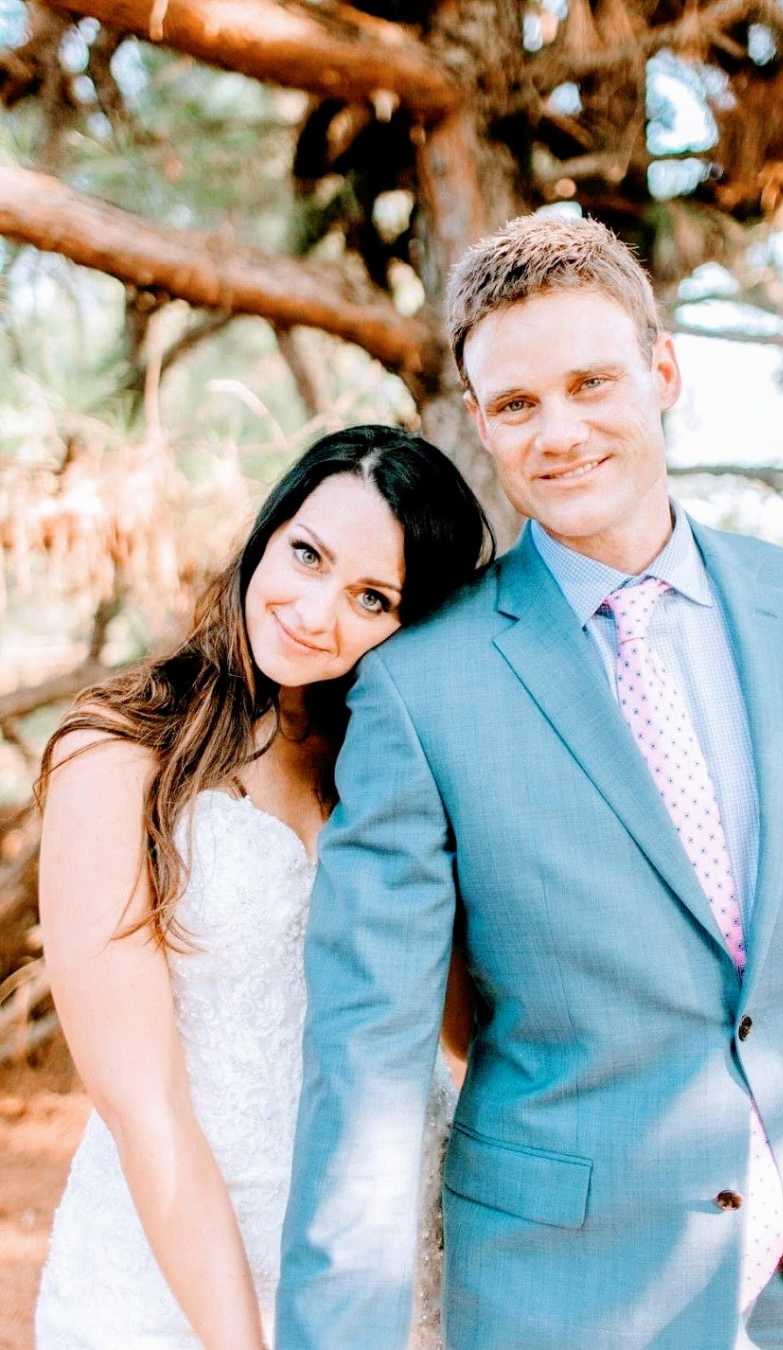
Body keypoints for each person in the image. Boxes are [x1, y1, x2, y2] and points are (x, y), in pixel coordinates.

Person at [277, 215, 783, 1349]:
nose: (557, 432)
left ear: (662, 371)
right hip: (567, 1298)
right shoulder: (419, 691)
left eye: (591, 382)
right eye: (516, 404)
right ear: (479, 420)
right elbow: (365, 1070)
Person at [33, 426, 494, 1349]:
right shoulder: (121, 753)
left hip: (392, 1253)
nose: (315, 612)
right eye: (307, 554)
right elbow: (143, 1106)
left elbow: (463, 1027)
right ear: (269, 529)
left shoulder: (388, 763)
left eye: (372, 597)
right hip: (180, 1264)